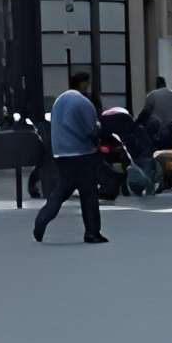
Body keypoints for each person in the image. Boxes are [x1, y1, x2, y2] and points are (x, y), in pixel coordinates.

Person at [31, 67, 107, 244]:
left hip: (61, 154)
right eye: (87, 84)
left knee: (61, 191)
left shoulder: (59, 101)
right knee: (88, 194)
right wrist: (98, 133)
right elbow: (91, 130)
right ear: (82, 84)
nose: (88, 88)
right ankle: (92, 232)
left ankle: (42, 219)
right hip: (82, 153)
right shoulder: (83, 103)